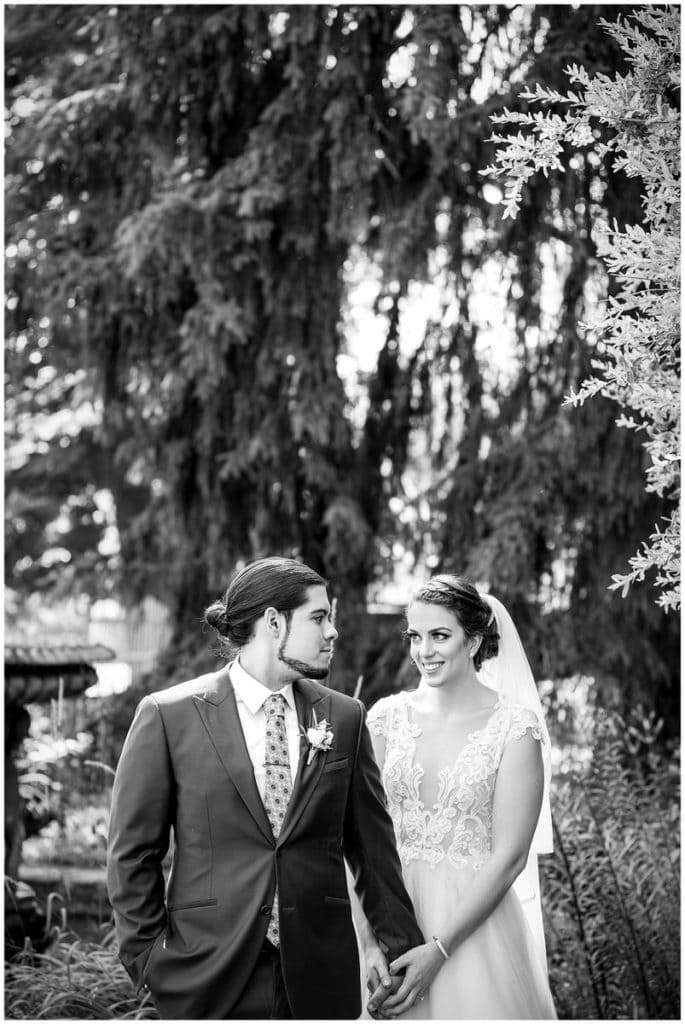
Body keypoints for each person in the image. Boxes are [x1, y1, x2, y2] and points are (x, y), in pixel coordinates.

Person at [107, 556, 423, 1019]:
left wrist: (399, 948)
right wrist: (150, 962)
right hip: (208, 977)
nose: (333, 631)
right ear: (273, 622)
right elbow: (132, 854)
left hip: (320, 976)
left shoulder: (345, 717)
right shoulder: (168, 716)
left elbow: (372, 847)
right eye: (319, 617)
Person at [361, 575, 557, 1019]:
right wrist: (368, 941)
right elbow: (358, 837)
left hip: (472, 934)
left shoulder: (514, 729)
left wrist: (439, 949)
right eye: (415, 636)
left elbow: (510, 857)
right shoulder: (385, 720)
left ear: (472, 642)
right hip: (387, 923)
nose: (423, 651)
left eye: (439, 636)